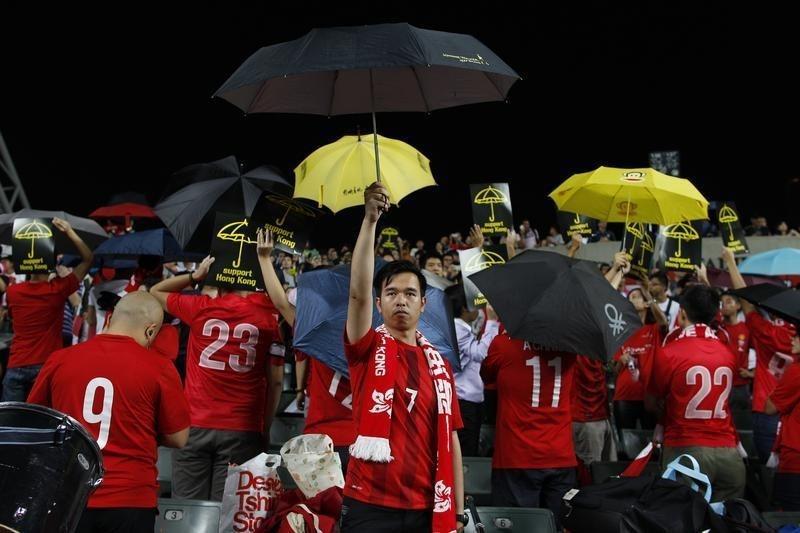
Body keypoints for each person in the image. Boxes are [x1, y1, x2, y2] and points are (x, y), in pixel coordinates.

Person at [341, 182, 465, 533]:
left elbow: (451, 438)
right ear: (378, 303)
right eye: (391, 292)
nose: (401, 299)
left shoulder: (439, 365)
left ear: (423, 304)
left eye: (411, 293)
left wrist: (456, 512)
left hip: (426, 507)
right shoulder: (365, 348)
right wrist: (369, 221)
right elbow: (356, 295)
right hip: (369, 505)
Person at [28, 292, 190, 533]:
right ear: (150, 331)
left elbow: (36, 421)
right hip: (131, 497)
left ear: (111, 317)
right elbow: (178, 438)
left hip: (69, 494)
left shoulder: (60, 359)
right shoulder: (159, 367)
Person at [150, 256, 284, 501]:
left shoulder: (202, 307)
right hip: (242, 426)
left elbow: (155, 291)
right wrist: (265, 429)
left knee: (188, 513)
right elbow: (276, 382)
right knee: (226, 515)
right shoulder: (270, 315)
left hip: (194, 423)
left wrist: (194, 276)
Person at [256, 229, 355, 472]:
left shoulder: (317, 328)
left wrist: (264, 258)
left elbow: (280, 301)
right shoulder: (379, 338)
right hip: (360, 442)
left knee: (318, 509)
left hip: (319, 440)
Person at [646, 284, 745, 501]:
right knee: (726, 523)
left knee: (683, 518)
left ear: (682, 312)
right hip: (729, 454)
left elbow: (652, 402)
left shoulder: (670, 351)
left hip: (686, 450)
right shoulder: (727, 351)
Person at [482, 333, 577, 526]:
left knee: (517, 528)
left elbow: (487, 376)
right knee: (557, 527)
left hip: (516, 456)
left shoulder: (503, 344)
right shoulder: (572, 345)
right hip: (560, 453)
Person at [1, 217, 93, 401]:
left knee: (10, 426)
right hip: (45, 366)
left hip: (16, 363)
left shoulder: (13, 292)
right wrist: (68, 230)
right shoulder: (58, 289)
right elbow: (88, 258)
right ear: (51, 262)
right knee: (41, 424)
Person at [723, 247, 797, 463]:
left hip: (766, 409)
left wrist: (731, 263)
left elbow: (745, 302)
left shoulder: (768, 331)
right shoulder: (787, 335)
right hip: (792, 413)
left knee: (769, 472)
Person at [446, 279, 500, 457]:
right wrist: (492, 322)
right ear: (463, 308)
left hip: (468, 399)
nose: (477, 308)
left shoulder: (458, 328)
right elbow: (481, 354)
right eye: (472, 303)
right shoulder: (457, 329)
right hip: (464, 401)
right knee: (466, 453)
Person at [611, 271, 668, 438]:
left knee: (651, 445)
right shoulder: (620, 331)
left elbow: (664, 321)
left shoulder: (654, 330)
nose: (632, 299)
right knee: (624, 443)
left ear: (646, 304)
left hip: (649, 397)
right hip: (624, 395)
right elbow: (614, 370)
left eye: (636, 296)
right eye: (630, 297)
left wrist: (648, 294)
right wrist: (620, 361)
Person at [764, 334, 800, 510]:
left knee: (789, 518)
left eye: (798, 337)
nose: (792, 340)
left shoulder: (796, 370)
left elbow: (770, 407)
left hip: (795, 456)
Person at [719, 292, 753, 411]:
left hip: (740, 386)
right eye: (722, 303)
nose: (724, 305)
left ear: (738, 305)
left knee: (739, 427)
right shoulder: (717, 329)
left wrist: (753, 373)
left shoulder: (746, 328)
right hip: (720, 384)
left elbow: (763, 351)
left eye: (728, 302)